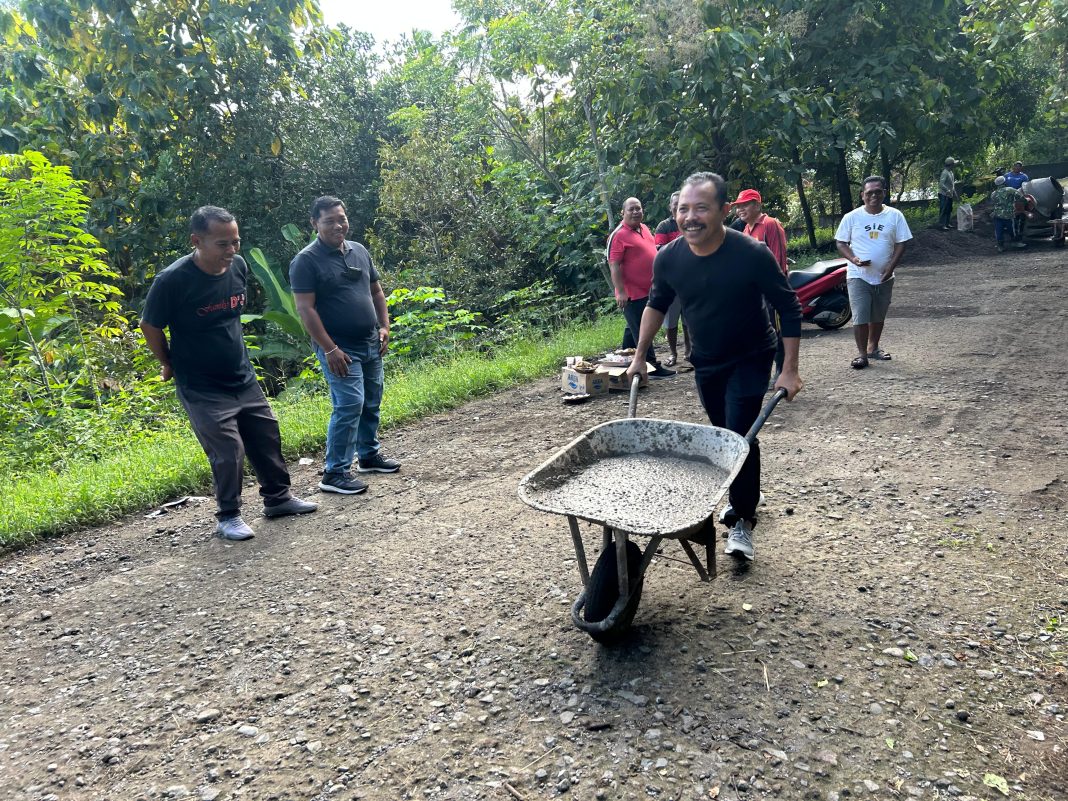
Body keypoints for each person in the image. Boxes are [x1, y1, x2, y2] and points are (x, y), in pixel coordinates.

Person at [626, 172, 803, 564]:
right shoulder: (670, 258)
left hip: (751, 356)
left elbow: (789, 307)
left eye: (701, 208)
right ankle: (744, 495)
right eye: (684, 209)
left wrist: (788, 369)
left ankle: (743, 517)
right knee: (723, 433)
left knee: (738, 434)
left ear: (724, 211)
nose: (690, 217)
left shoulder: (751, 254)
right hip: (705, 360)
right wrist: (640, 356)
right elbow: (656, 304)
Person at [140, 206, 318, 541]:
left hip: (241, 375)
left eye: (235, 241)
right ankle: (229, 516)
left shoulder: (237, 266)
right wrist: (167, 362)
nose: (232, 250)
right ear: (197, 241)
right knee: (227, 449)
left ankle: (278, 499)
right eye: (223, 244)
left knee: (266, 436)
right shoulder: (173, 280)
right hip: (201, 384)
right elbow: (150, 325)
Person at [290, 196, 400, 496]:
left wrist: (384, 326)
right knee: (349, 404)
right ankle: (335, 472)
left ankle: (368, 455)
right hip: (339, 348)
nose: (339, 225)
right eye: (329, 220)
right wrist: (329, 348)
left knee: (372, 400)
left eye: (342, 218)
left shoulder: (359, 251)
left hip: (369, 341)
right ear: (314, 224)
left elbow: (376, 292)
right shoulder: (306, 261)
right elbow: (306, 310)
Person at [835, 176, 913, 369]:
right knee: (861, 314)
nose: (874, 196)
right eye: (869, 192)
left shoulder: (895, 216)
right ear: (862, 195)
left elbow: (901, 243)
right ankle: (862, 355)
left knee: (878, 314)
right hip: (857, 274)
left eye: (878, 191)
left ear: (884, 193)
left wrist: (891, 267)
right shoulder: (851, 217)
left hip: (884, 276)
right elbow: (841, 242)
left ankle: (873, 347)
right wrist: (854, 259)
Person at [607, 197, 675, 378]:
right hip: (632, 293)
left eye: (638, 208)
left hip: (649, 289)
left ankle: (623, 362)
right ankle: (652, 366)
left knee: (633, 327)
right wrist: (620, 291)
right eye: (631, 209)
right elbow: (613, 264)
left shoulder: (643, 228)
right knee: (643, 330)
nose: (636, 212)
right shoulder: (618, 235)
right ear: (623, 212)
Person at [734, 188, 789, 379]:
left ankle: (781, 370)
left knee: (775, 330)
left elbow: (779, 260)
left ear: (757, 205)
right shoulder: (746, 229)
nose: (740, 210)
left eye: (745, 205)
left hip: (771, 290)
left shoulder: (770, 224)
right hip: (755, 291)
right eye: (738, 206)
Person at [653, 191, 690, 366]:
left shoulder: (690, 221)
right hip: (671, 282)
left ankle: (690, 352)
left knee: (689, 319)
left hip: (690, 281)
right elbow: (660, 250)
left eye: (680, 202)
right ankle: (673, 353)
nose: (677, 206)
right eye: (674, 203)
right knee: (671, 321)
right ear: (670, 206)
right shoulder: (664, 226)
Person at [990, 175, 1024, 253]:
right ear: (1005, 182)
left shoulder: (994, 193)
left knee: (999, 231)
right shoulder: (1010, 190)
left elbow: (994, 202)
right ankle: (1015, 242)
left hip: (997, 215)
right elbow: (1020, 197)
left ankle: (1000, 246)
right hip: (1008, 215)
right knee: (1013, 229)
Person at [1003, 161, 1030, 241]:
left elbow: (1026, 187)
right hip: (1008, 198)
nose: (1017, 168)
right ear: (1013, 167)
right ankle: (1008, 230)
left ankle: (1019, 232)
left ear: (1021, 168)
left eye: (1019, 166)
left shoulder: (1024, 176)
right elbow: (1003, 186)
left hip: (1019, 198)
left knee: (1019, 214)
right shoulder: (1007, 176)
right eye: (1016, 166)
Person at [937, 157, 959, 230]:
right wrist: (947, 190)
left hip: (949, 194)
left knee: (949, 209)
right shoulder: (945, 173)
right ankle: (942, 225)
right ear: (951, 165)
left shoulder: (950, 172)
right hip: (944, 194)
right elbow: (941, 184)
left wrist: (954, 192)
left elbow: (952, 184)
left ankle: (947, 223)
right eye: (953, 164)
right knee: (944, 209)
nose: (954, 166)